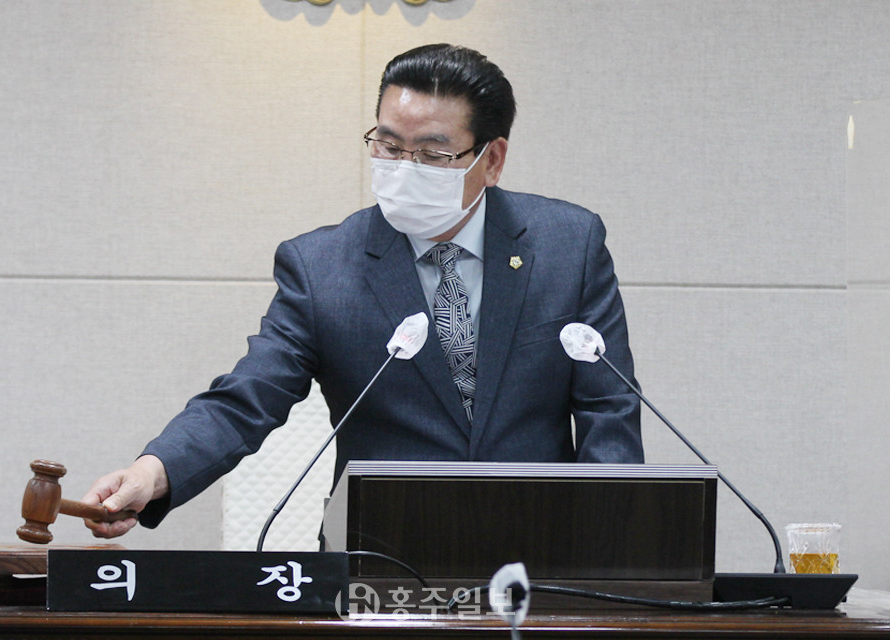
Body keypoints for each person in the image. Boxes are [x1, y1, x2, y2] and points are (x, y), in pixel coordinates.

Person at [83, 44, 643, 539]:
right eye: (389, 146)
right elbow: (248, 396)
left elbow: (608, 407)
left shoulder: (568, 245)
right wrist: (153, 472)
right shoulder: (322, 266)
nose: (404, 168)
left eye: (432, 153)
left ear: (491, 159)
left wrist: (612, 543)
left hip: (543, 550)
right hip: (381, 554)